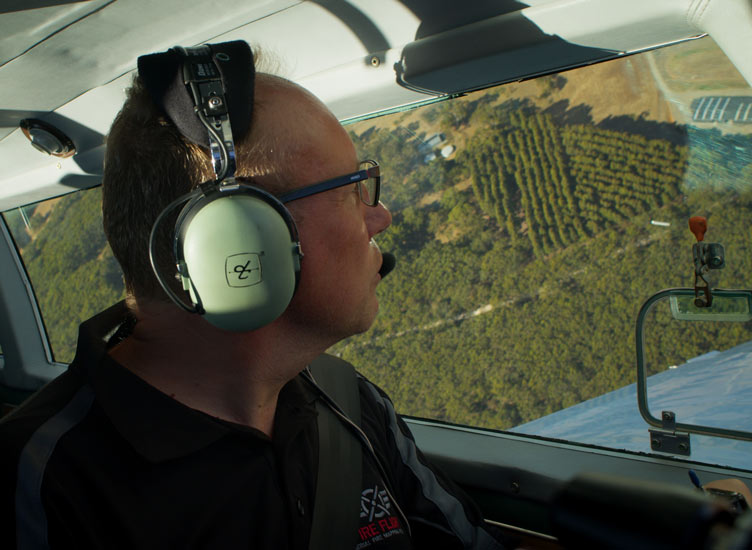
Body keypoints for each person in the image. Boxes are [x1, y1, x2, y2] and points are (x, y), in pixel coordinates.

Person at [0, 41, 510, 549]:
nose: (380, 217)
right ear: (238, 238)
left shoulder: (349, 403)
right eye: (352, 188)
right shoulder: (39, 485)